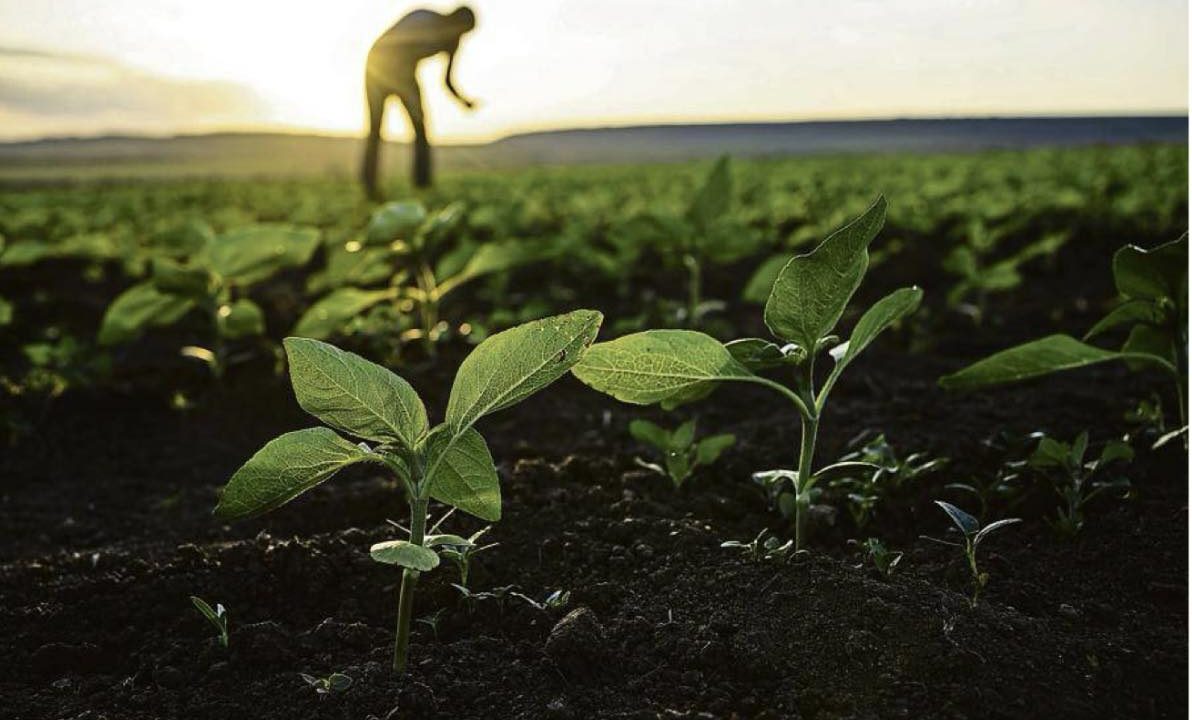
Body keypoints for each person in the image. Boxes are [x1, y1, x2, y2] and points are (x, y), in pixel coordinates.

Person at [362, 6, 478, 197]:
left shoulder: (452, 42)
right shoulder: (424, 19)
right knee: (375, 128)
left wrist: (462, 101)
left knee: (420, 127)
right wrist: (404, 85)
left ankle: (422, 184)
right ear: (454, 19)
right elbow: (395, 47)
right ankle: (370, 185)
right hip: (377, 66)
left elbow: (447, 80)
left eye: (464, 33)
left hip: (406, 73)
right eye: (461, 29)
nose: (460, 35)